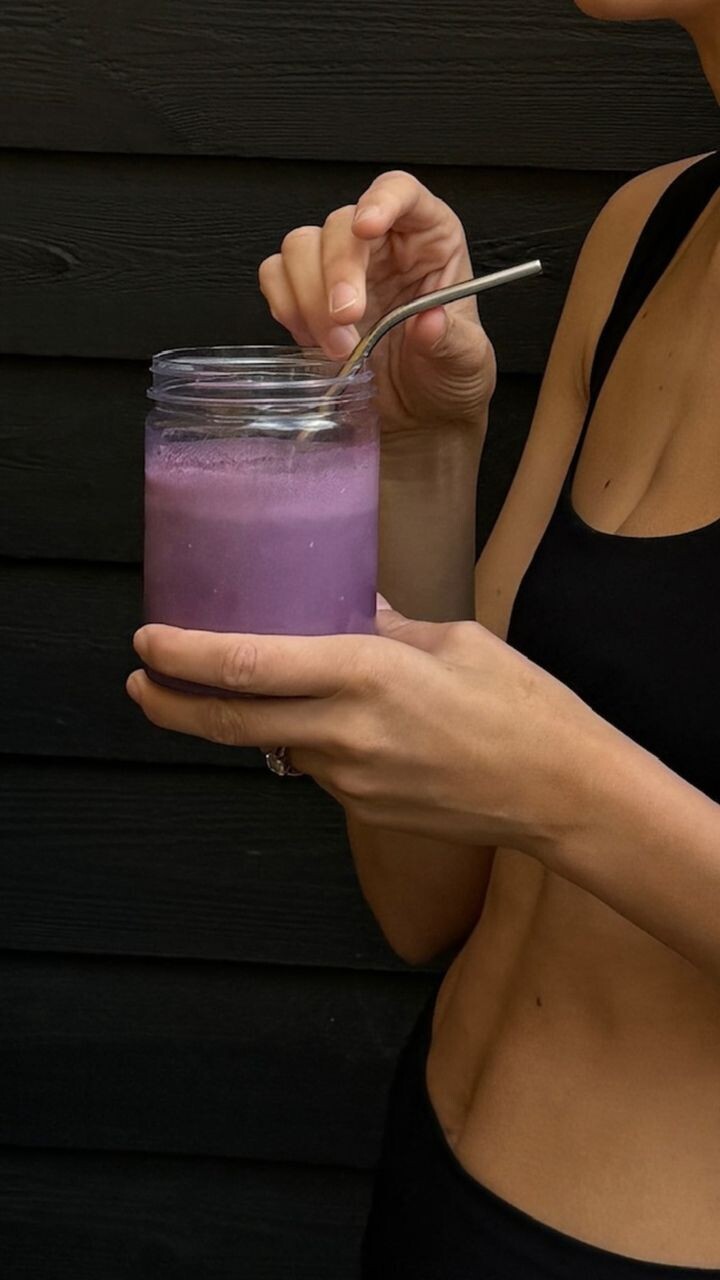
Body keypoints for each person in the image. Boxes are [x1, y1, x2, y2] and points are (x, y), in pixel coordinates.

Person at [126, 1, 720, 1274]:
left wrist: (564, 787)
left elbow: (541, 787)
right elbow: (426, 897)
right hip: (437, 1186)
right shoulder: (654, 232)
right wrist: (420, 449)